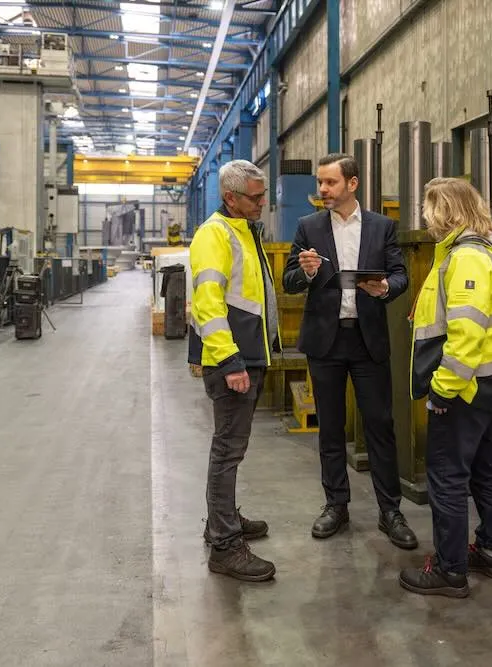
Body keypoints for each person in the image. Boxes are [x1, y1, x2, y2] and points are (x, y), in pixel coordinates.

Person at [282, 153, 418, 550]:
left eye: (330, 183)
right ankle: (335, 505)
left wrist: (386, 288)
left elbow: (400, 276)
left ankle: (390, 511)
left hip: (367, 338)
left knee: (380, 425)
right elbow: (290, 280)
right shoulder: (308, 227)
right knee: (330, 428)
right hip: (325, 342)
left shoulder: (381, 227)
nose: (322, 190)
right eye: (320, 183)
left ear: (352, 184)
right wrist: (305, 273)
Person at [398, 177, 492, 599]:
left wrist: (444, 389)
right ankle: (491, 552)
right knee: (486, 471)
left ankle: (450, 571)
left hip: (463, 389)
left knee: (447, 477)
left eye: (428, 208)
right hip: (487, 385)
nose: (425, 217)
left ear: (446, 210)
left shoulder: (467, 258)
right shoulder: (478, 251)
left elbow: (466, 335)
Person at [188, 159, 281, 582]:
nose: (263, 202)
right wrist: (229, 361)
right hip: (234, 362)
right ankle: (224, 545)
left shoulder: (243, 231)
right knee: (227, 450)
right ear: (231, 197)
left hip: (247, 356)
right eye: (256, 197)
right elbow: (207, 304)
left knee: (232, 448)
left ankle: (221, 521)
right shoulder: (215, 234)